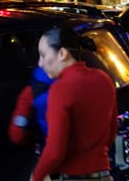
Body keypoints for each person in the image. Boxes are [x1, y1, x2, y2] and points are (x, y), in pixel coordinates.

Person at [28, 22, 118, 181]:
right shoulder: (104, 79)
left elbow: (55, 151)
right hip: (103, 175)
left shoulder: (61, 89)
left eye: (43, 55)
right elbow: (111, 134)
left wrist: (37, 176)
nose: (40, 63)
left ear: (62, 53)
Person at [8, 65, 54, 153]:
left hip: (45, 150)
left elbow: (17, 134)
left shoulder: (29, 93)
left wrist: (31, 139)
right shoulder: (76, 85)